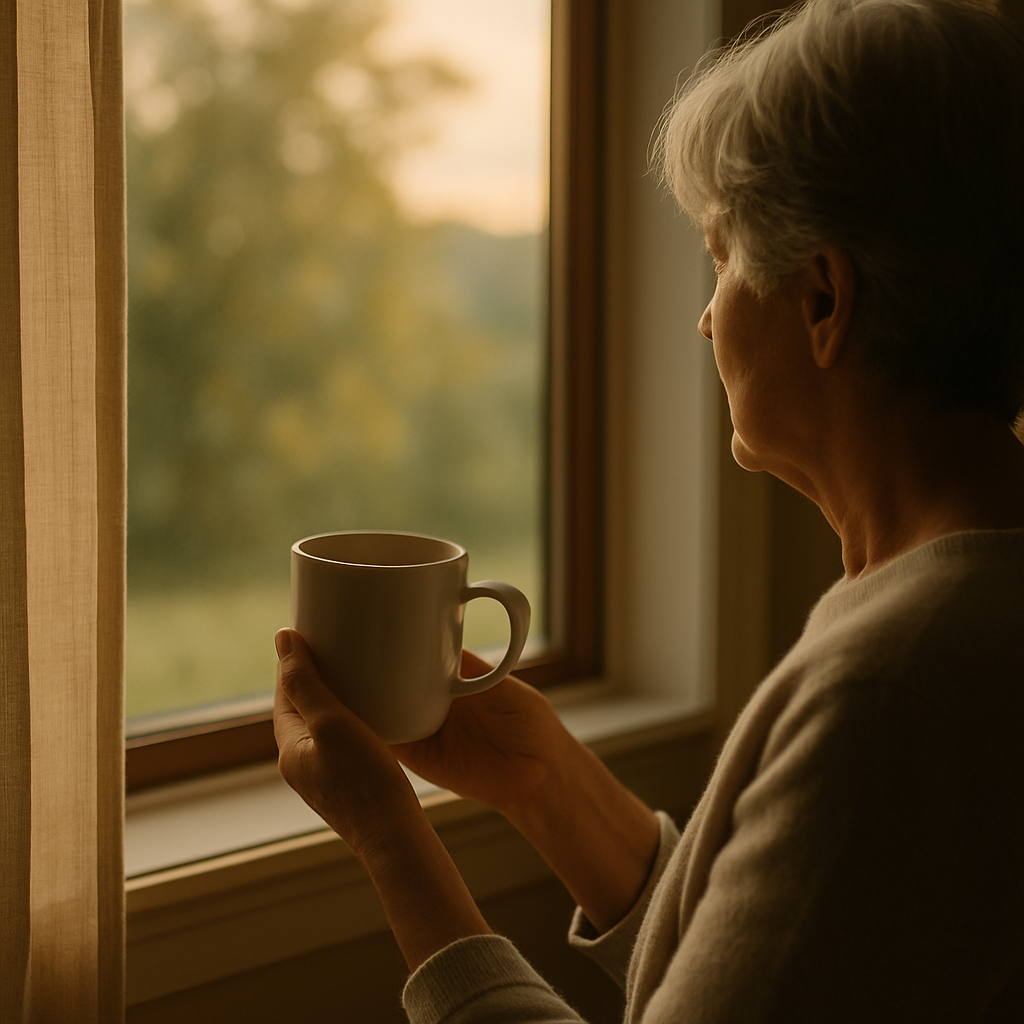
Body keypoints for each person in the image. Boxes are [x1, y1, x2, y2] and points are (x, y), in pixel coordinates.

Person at [272, 0, 1024, 1019]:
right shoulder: (954, 608)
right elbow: (800, 950)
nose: (704, 317)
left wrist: (386, 833)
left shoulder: (899, 683)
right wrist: (545, 782)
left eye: (719, 256)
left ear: (820, 301)